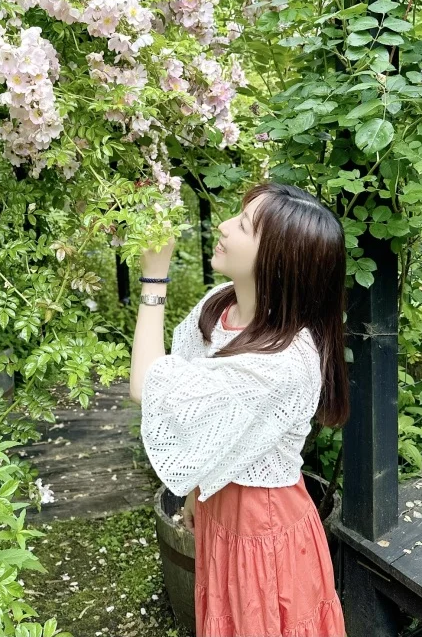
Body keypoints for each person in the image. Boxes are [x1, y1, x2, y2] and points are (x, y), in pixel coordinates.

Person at [129, 182, 348, 636]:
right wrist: (195, 488)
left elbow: (148, 386)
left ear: (277, 260)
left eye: (245, 225)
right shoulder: (219, 306)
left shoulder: (287, 362)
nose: (225, 227)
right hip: (220, 513)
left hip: (262, 527)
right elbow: (206, 423)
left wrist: (154, 280)